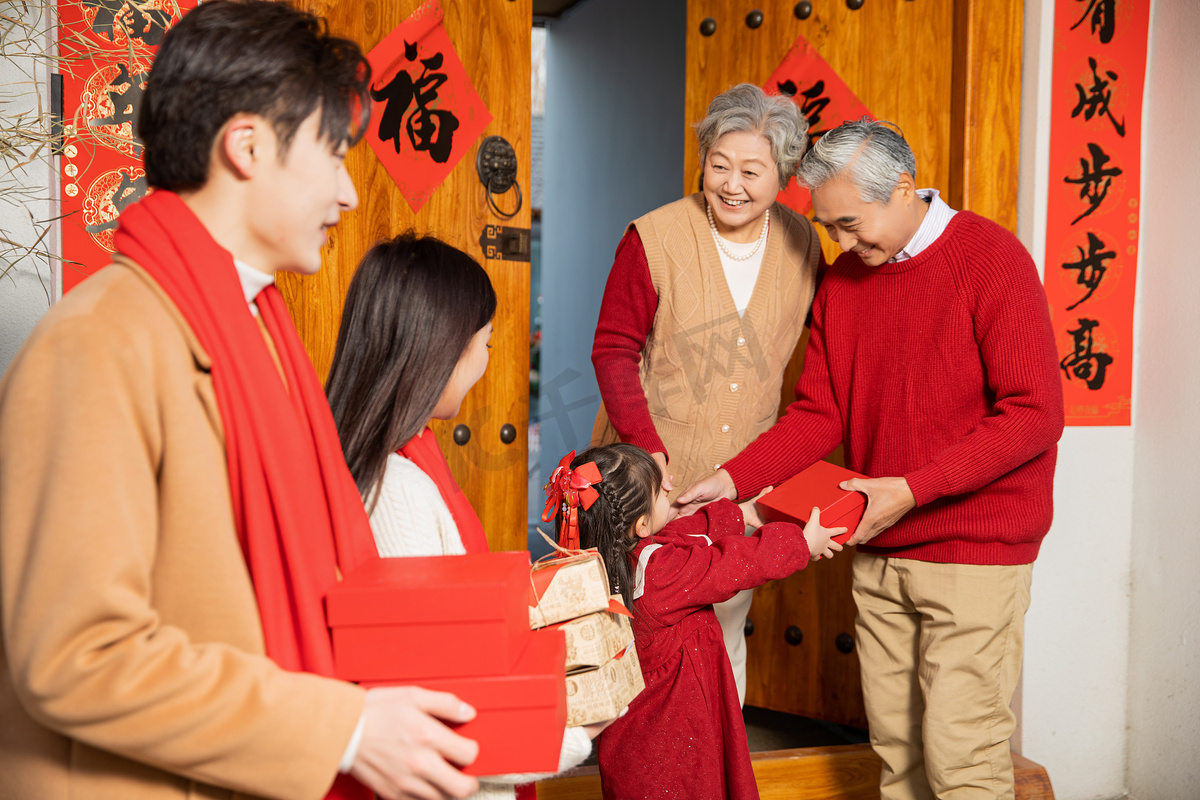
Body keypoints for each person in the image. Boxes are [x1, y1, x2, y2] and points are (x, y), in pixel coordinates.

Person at [0, 4, 483, 799]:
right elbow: (76, 655)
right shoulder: (98, 342)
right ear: (248, 146)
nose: (349, 194)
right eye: (332, 154)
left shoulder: (257, 333)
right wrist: (347, 728)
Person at [677, 118, 1065, 800]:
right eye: (830, 229)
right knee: (898, 758)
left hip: (975, 553)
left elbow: (1036, 413)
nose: (843, 245)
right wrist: (731, 479)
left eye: (852, 224)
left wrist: (913, 489)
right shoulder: (849, 280)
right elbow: (818, 414)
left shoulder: (992, 258)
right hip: (880, 545)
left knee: (963, 759)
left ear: (904, 190)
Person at [325, 233, 621, 800]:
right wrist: (574, 736)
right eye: (485, 341)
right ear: (444, 348)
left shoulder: (383, 459)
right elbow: (433, 697)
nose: (487, 359)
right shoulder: (397, 489)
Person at [590, 83, 822, 705]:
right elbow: (613, 348)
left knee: (721, 631)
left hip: (738, 478)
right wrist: (647, 447)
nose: (732, 184)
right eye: (720, 165)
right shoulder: (655, 237)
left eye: (752, 170)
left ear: (785, 175)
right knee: (633, 633)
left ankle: (716, 766)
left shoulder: (805, 245)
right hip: (644, 479)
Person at [544, 444, 843, 800]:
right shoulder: (659, 573)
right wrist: (802, 543)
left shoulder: (609, 561)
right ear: (640, 525)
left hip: (634, 735)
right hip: (673, 730)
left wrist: (740, 514)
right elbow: (729, 566)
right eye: (659, 491)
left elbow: (678, 535)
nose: (668, 488)